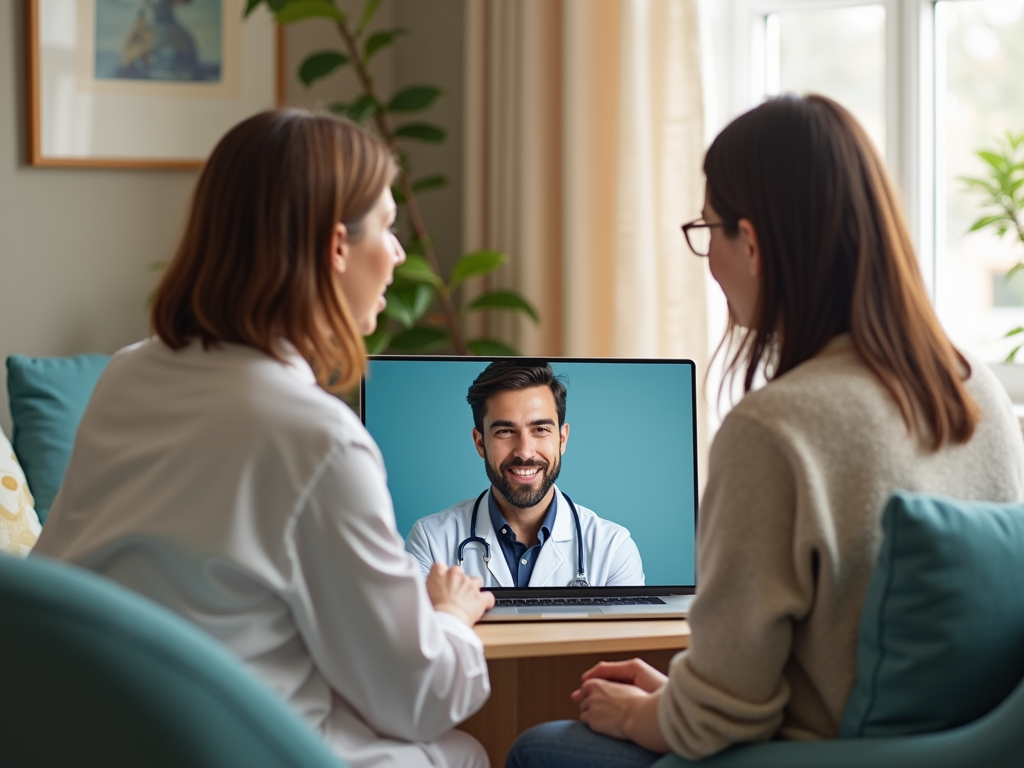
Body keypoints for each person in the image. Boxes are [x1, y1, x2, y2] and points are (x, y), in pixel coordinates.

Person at [505, 94, 1024, 767]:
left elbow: (719, 716)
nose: (709, 258)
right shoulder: (973, 384)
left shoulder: (774, 429)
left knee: (541, 748)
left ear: (749, 242)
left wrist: (646, 715)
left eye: (707, 231)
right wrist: (680, 698)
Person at [32, 109, 495, 768]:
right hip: (233, 748)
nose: (397, 254)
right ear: (337, 248)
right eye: (388, 229)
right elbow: (416, 698)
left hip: (94, 736)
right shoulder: (317, 437)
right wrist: (449, 617)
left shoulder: (128, 372)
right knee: (464, 751)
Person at [405, 361, 644, 588]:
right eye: (505, 431)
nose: (525, 452)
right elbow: (412, 632)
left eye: (540, 429)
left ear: (562, 439)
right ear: (480, 443)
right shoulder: (430, 541)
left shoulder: (614, 549)